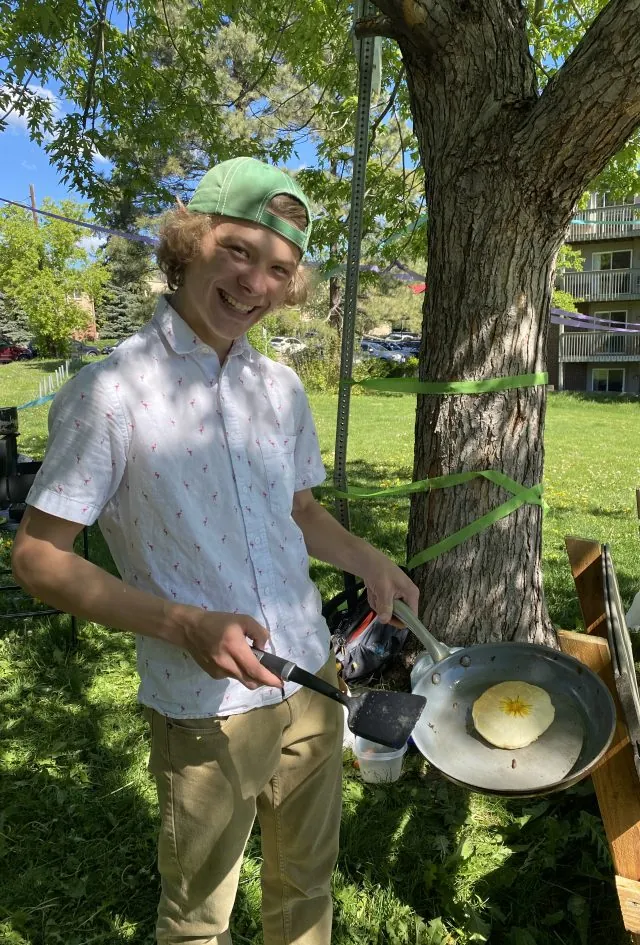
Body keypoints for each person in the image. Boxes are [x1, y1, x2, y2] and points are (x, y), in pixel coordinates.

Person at [12, 156, 419, 945]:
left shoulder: (281, 389)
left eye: (280, 268)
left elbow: (298, 510)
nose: (256, 284)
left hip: (312, 677)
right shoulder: (111, 392)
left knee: (305, 891)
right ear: (190, 241)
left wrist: (364, 555)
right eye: (239, 251)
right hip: (206, 709)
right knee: (199, 921)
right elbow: (37, 557)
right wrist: (185, 624)